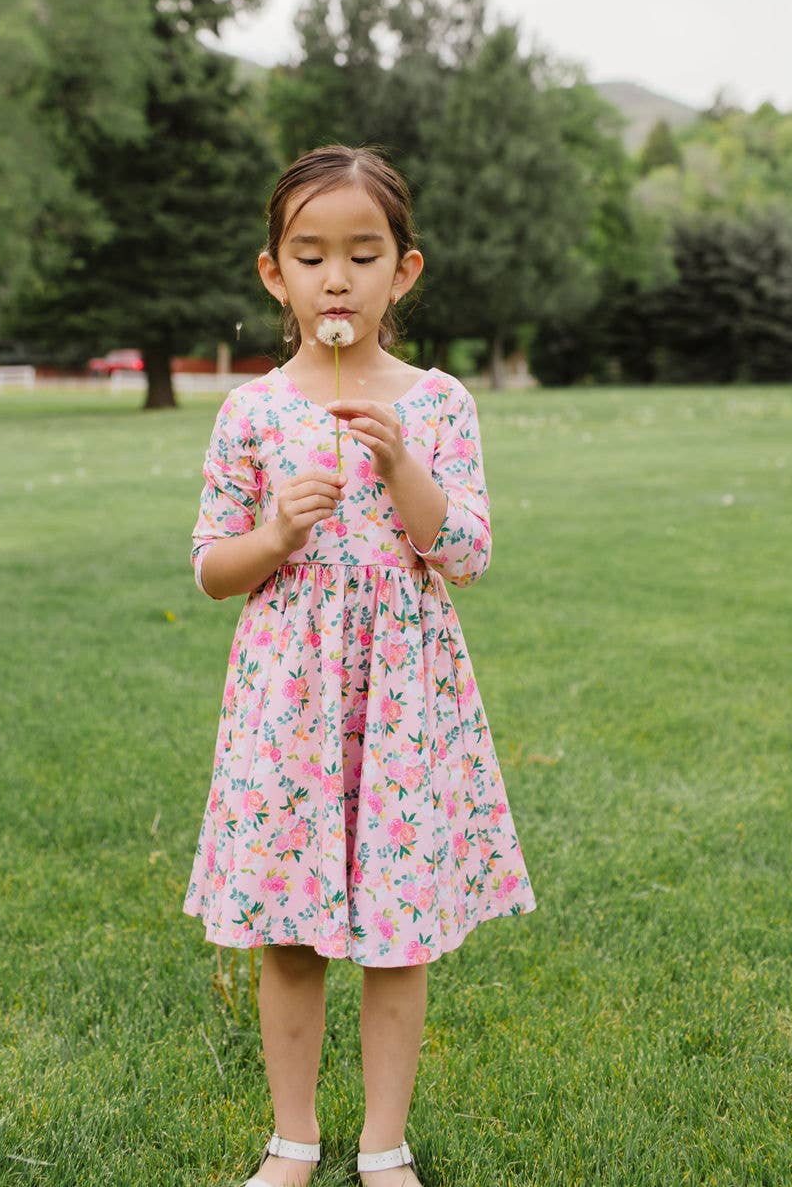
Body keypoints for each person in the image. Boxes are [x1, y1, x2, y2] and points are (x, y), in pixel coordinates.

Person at [183, 144, 537, 1187]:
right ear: (273, 274)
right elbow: (211, 565)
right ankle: (292, 1136)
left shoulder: (436, 402)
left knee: (396, 928)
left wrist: (401, 466)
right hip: (290, 695)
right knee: (288, 930)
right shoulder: (250, 411)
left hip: (401, 700)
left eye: (361, 253)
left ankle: (384, 1139)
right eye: (310, 254)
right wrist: (277, 533)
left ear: (404, 270)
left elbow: (465, 553)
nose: (336, 277)